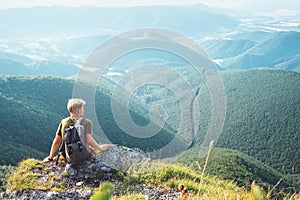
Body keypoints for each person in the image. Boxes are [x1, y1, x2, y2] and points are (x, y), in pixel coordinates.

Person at [43, 98, 112, 162]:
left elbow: (56, 141)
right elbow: (89, 140)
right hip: (83, 156)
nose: (83, 110)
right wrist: (100, 148)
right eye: (82, 109)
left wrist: (50, 157)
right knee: (91, 149)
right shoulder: (86, 122)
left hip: (67, 155)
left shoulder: (63, 122)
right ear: (79, 111)